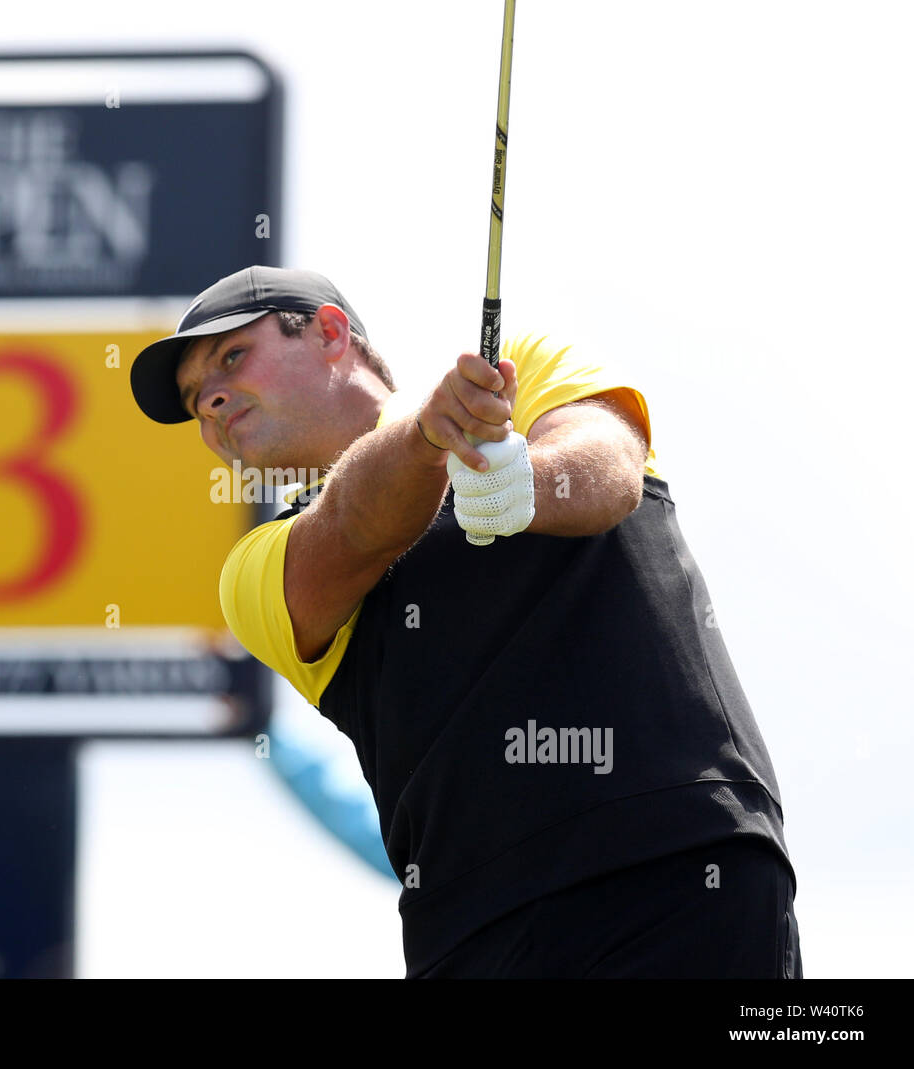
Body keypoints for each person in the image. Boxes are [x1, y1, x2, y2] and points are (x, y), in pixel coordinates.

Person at [129, 264, 801, 979]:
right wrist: (430, 440)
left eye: (231, 358)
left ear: (330, 332)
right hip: (476, 935)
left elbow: (608, 468)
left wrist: (523, 484)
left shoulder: (525, 369)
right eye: (197, 400)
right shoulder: (256, 570)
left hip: (685, 865)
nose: (213, 401)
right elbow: (358, 523)